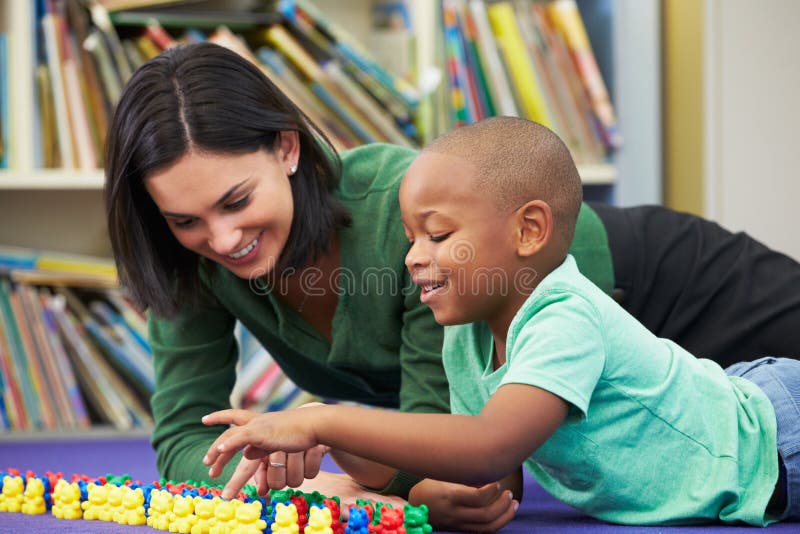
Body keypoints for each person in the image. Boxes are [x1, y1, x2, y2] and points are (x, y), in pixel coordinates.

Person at [105, 42, 800, 531]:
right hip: (614, 411)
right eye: (185, 219)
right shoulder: (185, 259)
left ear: (287, 148)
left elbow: (472, 445)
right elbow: (184, 445)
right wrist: (291, 467)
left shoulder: (415, 235)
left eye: (235, 202)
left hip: (666, 290)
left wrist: (324, 434)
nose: (221, 241)